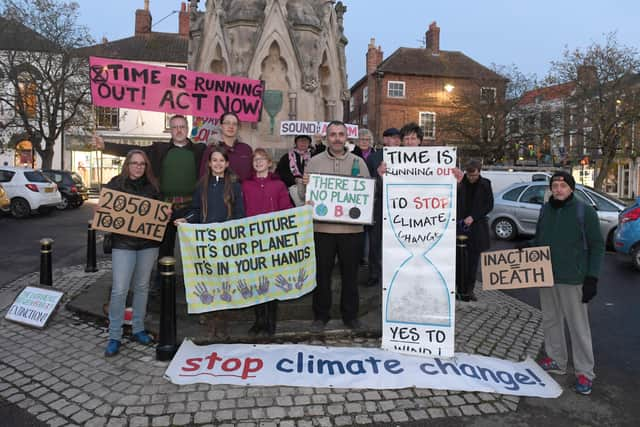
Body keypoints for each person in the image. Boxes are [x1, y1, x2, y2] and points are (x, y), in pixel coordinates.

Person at [528, 171, 604, 395]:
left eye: (562, 185)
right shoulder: (546, 209)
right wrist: (528, 247)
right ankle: (556, 359)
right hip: (547, 275)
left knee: (578, 326)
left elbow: (598, 246)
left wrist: (592, 278)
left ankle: (584, 372)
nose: (558, 189)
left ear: (571, 188)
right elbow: (541, 239)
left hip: (574, 279)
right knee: (551, 321)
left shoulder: (584, 211)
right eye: (555, 185)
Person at [95, 114, 206, 260]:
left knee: (195, 252)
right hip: (165, 208)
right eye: (175, 127)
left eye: (182, 127)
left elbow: (219, 156)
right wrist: (106, 145)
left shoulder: (200, 150)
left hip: (191, 207)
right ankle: (162, 282)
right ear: (170, 130)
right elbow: (134, 150)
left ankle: (193, 283)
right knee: (164, 250)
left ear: (187, 128)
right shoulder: (160, 149)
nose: (179, 130)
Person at [302, 120, 370, 332]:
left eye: (341, 134)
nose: (337, 138)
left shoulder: (358, 161)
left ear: (346, 137)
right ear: (326, 138)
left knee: (350, 276)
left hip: (352, 231)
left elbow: (367, 195)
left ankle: (350, 316)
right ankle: (320, 316)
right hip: (322, 230)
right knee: (322, 275)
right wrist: (304, 188)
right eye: (333, 134)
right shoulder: (314, 162)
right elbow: (306, 197)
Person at [176, 146, 245, 337]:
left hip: (227, 240)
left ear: (227, 163)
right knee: (209, 279)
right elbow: (196, 210)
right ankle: (210, 316)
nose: (218, 164)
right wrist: (187, 220)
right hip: (207, 242)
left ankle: (222, 319)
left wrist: (232, 229)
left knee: (225, 280)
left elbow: (240, 212)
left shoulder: (235, 185)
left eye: (221, 160)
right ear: (209, 163)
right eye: (214, 160)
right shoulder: (201, 185)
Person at [104, 150, 163, 357]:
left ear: (146, 167)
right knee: (120, 289)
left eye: (142, 164)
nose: (138, 167)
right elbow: (105, 209)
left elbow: (161, 211)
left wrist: (166, 213)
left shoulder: (153, 187)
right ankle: (114, 335)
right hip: (123, 244)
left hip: (148, 244)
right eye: (134, 163)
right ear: (127, 164)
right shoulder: (115, 184)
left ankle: (138, 328)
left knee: (141, 287)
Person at [242, 148, 293, 336]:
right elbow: (242, 209)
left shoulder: (278, 185)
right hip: (252, 239)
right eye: (255, 159)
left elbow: (286, 209)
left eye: (262, 159)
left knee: (271, 280)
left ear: (269, 163)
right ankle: (259, 320)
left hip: (272, 239)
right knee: (256, 280)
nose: (258, 162)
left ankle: (271, 321)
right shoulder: (245, 185)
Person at [363, 127, 403, 287]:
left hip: (401, 206)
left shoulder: (408, 157)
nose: (394, 141)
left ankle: (396, 272)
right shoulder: (373, 158)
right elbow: (366, 182)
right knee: (375, 242)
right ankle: (374, 273)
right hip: (379, 204)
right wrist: (377, 176)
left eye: (396, 138)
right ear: (384, 140)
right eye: (390, 138)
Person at [455, 159, 493, 301]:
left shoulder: (485, 184)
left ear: (479, 172)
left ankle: (469, 290)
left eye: (474, 176)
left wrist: (474, 217)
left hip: (476, 228)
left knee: (472, 262)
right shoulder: (460, 182)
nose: (471, 178)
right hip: (460, 226)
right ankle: (458, 288)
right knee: (459, 259)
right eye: (469, 175)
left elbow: (489, 205)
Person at [199, 112, 253, 182]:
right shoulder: (212, 149)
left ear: (238, 127)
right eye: (227, 123)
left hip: (244, 191)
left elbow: (253, 174)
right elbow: (203, 177)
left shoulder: (246, 149)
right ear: (221, 126)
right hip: (220, 192)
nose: (231, 126)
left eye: (234, 124)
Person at [275, 134, 312, 206]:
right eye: (300, 141)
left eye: (306, 141)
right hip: (292, 192)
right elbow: (279, 173)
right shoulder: (287, 157)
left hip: (309, 190)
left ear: (309, 143)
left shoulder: (313, 156)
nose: (303, 143)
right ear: (296, 142)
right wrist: (294, 179)